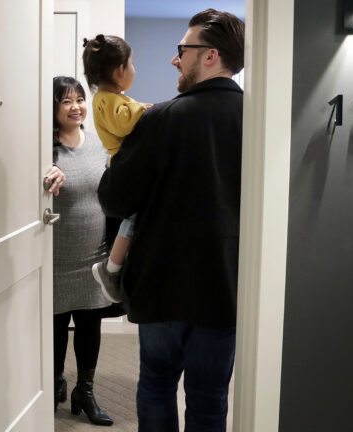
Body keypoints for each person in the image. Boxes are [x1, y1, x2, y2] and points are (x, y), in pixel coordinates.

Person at [96, 9, 245, 432]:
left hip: (162, 284)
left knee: (158, 384)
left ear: (210, 55)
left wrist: (116, 161)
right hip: (226, 286)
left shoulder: (159, 119)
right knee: (211, 396)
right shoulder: (259, 120)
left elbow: (115, 199)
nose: (174, 59)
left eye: (183, 50)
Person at [47, 75, 114, 426]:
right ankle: (55, 383)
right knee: (56, 329)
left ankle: (84, 391)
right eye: (66, 101)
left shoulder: (100, 141)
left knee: (90, 326)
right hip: (55, 260)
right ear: (53, 109)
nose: (75, 107)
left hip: (94, 255)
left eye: (79, 99)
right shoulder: (43, 148)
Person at [81, 34, 149, 304]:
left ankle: (115, 265)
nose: (134, 70)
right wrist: (144, 109)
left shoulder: (113, 97)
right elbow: (123, 125)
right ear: (120, 69)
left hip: (123, 163)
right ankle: (111, 267)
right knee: (132, 218)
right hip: (120, 164)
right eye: (131, 64)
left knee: (135, 216)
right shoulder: (105, 99)